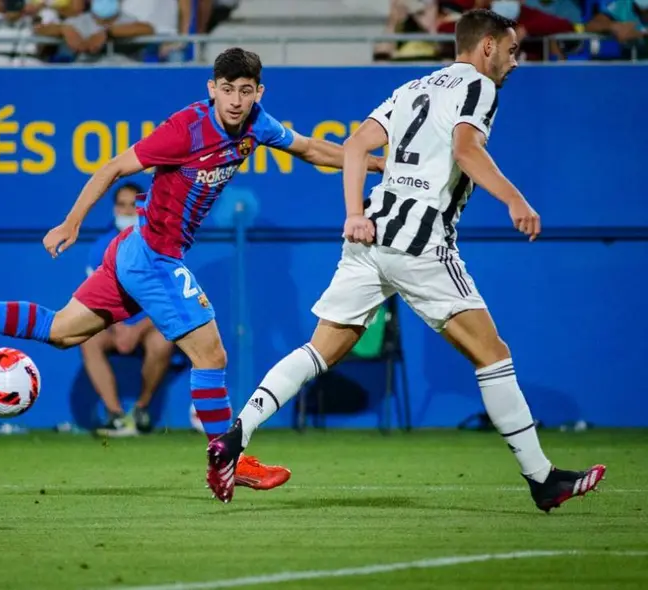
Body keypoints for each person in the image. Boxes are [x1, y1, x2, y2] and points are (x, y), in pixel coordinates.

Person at [0, 47, 384, 498]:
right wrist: (72, 221)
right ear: (212, 89)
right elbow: (116, 166)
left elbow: (311, 150)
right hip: (153, 256)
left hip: (136, 250)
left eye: (246, 90)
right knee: (212, 355)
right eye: (228, 89)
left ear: (259, 92)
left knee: (61, 331)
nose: (237, 100)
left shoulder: (257, 124)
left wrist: (376, 162)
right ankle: (228, 461)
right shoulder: (186, 129)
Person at [209, 9, 606, 509]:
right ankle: (543, 479)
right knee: (493, 355)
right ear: (486, 48)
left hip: (370, 236)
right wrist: (514, 199)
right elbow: (466, 150)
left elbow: (354, 146)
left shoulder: (415, 86)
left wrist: (355, 212)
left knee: (319, 351)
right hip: (420, 243)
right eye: (511, 50)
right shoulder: (479, 88)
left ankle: (235, 437)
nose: (515, 62)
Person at [81, 182, 175, 437]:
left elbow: (168, 299)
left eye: (133, 205)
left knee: (162, 341)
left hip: (148, 324)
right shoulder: (100, 246)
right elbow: (96, 298)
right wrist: (119, 327)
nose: (126, 210)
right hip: (113, 323)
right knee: (88, 339)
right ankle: (115, 415)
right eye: (121, 205)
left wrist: (136, 329)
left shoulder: (161, 243)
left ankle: (141, 409)